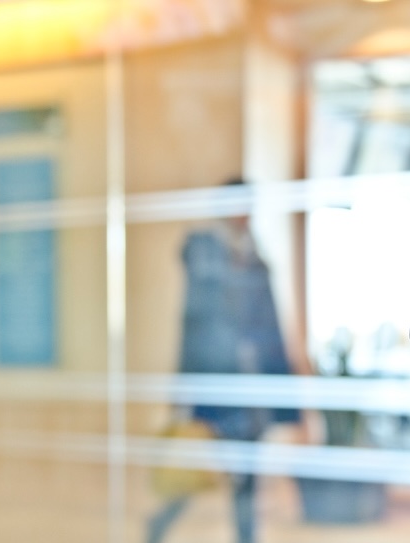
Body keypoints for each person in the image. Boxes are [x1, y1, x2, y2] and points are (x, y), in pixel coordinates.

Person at [147, 178, 298, 543]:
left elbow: (270, 327)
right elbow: (193, 325)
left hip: (252, 390)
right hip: (215, 389)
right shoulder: (206, 256)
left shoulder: (255, 259)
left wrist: (283, 394)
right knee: (194, 470)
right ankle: (157, 529)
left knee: (246, 481)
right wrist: (185, 391)